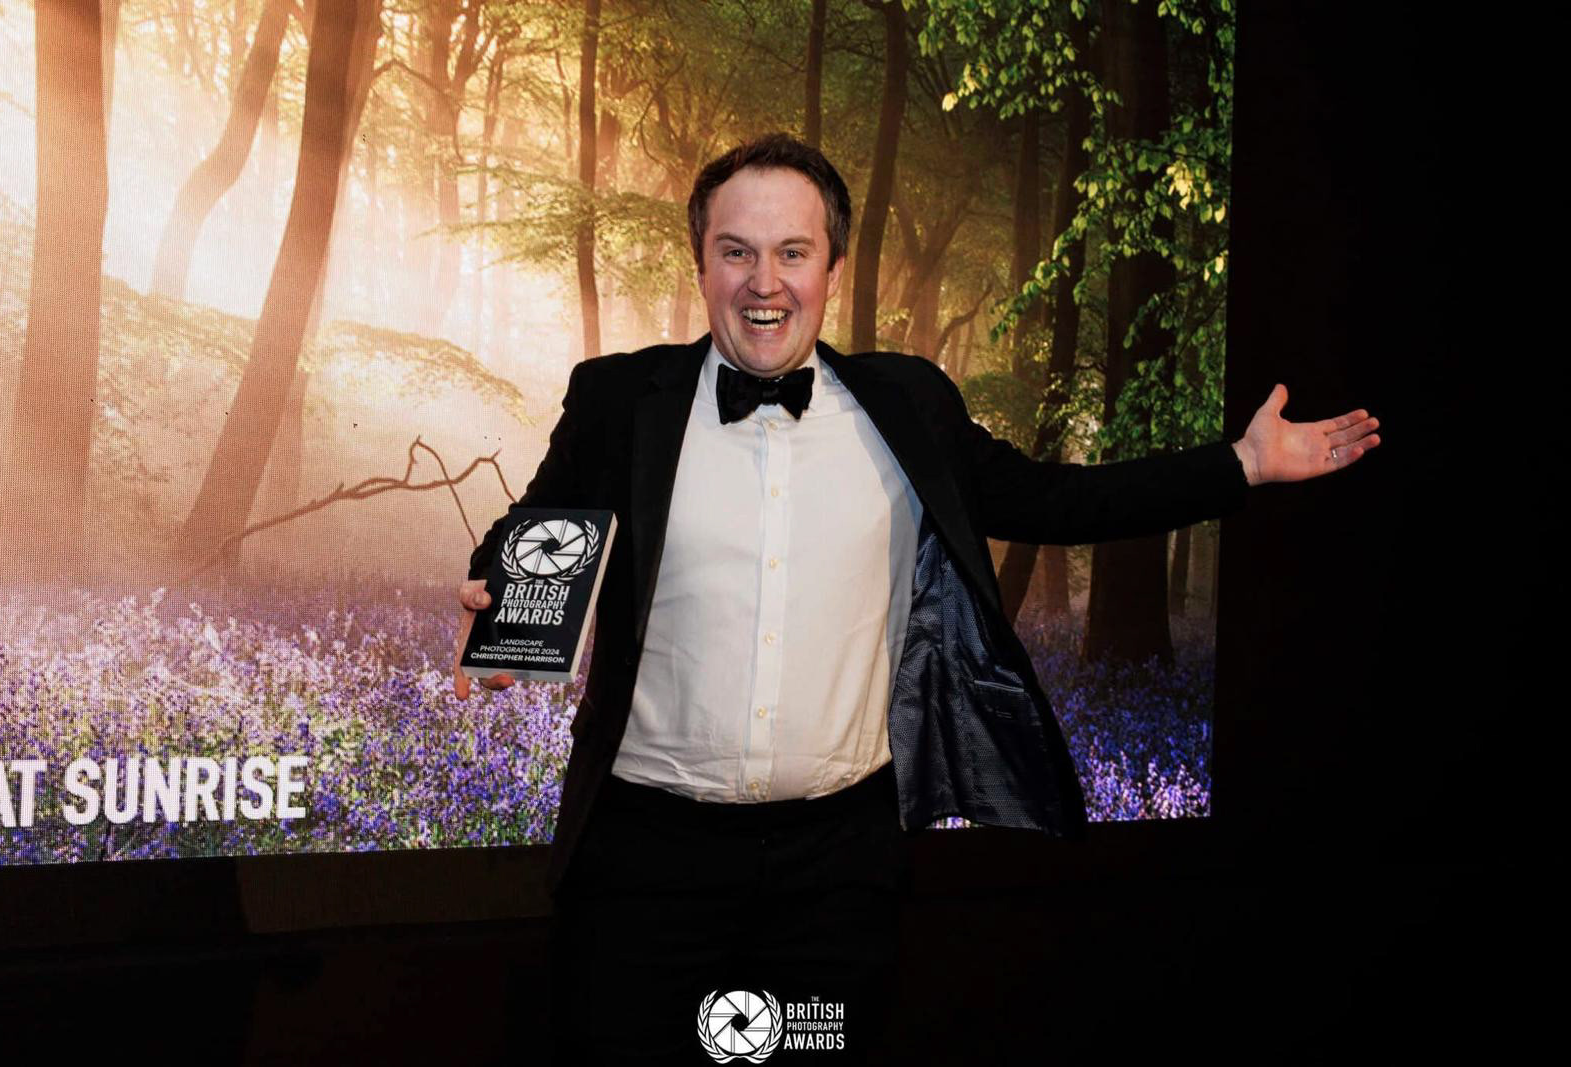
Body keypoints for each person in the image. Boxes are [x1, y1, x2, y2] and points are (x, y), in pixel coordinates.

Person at [451, 133, 1379, 1064]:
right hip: (643, 866)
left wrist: (1243, 464)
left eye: (792, 252)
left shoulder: (906, 406)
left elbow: (1058, 500)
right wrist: (492, 603)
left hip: (836, 874)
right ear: (701, 263)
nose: (763, 282)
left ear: (834, 267)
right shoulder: (621, 400)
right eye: (736, 251)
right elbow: (537, 522)